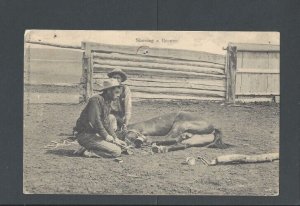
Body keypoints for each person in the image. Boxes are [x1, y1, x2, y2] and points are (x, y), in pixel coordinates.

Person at [73, 79, 127, 158]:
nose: (118, 95)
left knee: (122, 147)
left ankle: (90, 147)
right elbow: (95, 121)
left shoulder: (107, 102)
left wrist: (115, 138)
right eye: (116, 92)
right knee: (116, 152)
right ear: (108, 91)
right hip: (85, 135)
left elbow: (106, 123)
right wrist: (106, 136)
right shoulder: (95, 100)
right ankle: (88, 152)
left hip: (94, 135)